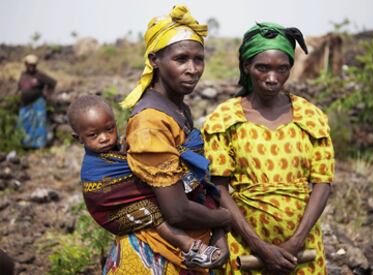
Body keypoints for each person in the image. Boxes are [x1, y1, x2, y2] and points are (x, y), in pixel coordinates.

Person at [103, 5, 231, 274]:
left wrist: (217, 231)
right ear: (155, 60)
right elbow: (176, 211)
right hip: (155, 254)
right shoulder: (151, 120)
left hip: (185, 251)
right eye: (181, 59)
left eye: (199, 59)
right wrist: (226, 218)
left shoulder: (178, 109)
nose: (193, 69)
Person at [202, 22, 335, 274]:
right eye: (262, 68)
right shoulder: (225, 119)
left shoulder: (310, 116)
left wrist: (295, 242)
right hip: (246, 246)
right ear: (247, 66)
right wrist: (259, 246)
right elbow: (218, 188)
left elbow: (323, 182)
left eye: (282, 69)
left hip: (301, 249)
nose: (272, 78)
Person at [67, 95, 222, 268]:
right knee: (152, 212)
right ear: (78, 138)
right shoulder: (94, 166)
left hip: (130, 199)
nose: (104, 138)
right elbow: (113, 185)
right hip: (112, 208)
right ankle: (189, 246)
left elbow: (137, 164)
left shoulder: (119, 146)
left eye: (109, 129)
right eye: (93, 135)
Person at [17, 54, 56, 149]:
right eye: (30, 65)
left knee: (38, 124)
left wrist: (47, 93)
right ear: (26, 64)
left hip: (37, 103)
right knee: (24, 123)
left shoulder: (39, 75)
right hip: (25, 104)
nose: (32, 67)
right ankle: (25, 144)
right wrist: (17, 93)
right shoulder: (23, 74)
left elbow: (52, 82)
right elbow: (19, 86)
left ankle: (39, 145)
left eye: (34, 65)